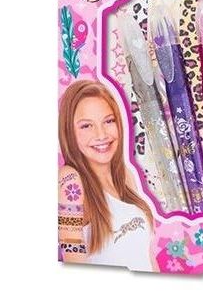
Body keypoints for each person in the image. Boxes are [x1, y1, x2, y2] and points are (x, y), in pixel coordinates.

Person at [58, 80, 156, 271]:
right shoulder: (70, 181)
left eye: (109, 121)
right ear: (69, 132)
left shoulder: (126, 176)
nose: (101, 134)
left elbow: (148, 257)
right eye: (87, 126)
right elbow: (71, 254)